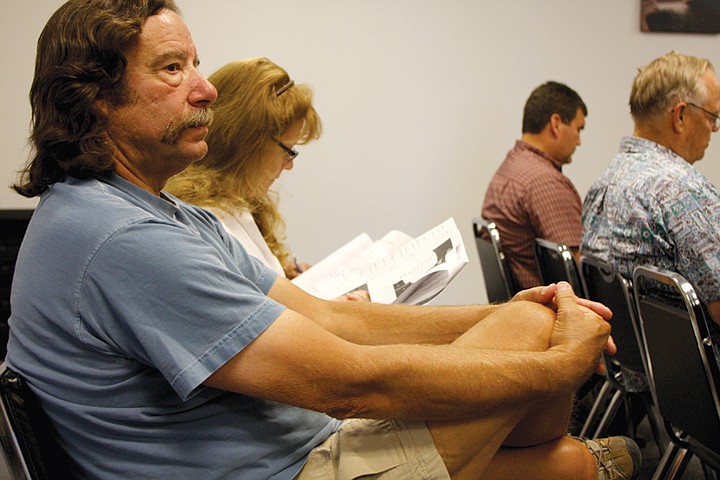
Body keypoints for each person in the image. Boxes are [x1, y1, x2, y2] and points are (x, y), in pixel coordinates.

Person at [7, 1, 640, 479]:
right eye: (173, 69)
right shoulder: (121, 237)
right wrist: (563, 362)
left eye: (196, 64)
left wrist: (511, 311)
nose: (206, 89)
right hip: (290, 469)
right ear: (94, 101)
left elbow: (332, 318)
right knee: (566, 445)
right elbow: (350, 385)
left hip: (291, 450)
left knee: (534, 344)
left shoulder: (148, 212)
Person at [582, 51, 720, 372]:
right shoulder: (683, 190)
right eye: (713, 116)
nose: (714, 129)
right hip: (694, 376)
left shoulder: (605, 182)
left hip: (638, 366)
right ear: (680, 116)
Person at [165, 57, 317, 280]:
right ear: (249, 143)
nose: (289, 164)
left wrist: (283, 274)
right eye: (288, 150)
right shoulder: (201, 222)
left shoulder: (237, 203)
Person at [481, 81, 587, 290]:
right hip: (549, 312)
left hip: (520, 306)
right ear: (556, 124)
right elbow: (579, 272)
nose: (578, 141)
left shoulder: (509, 169)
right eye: (578, 129)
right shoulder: (544, 182)